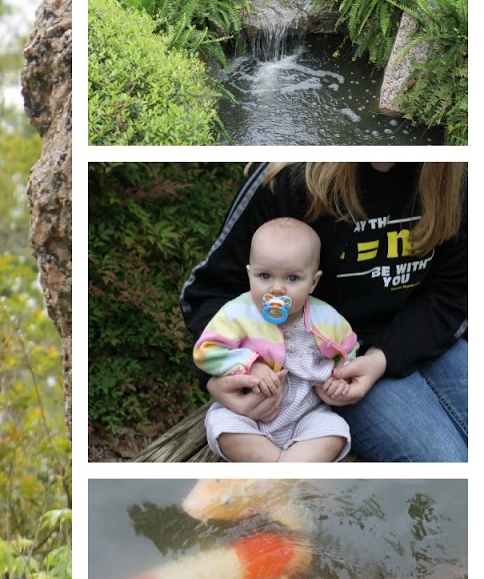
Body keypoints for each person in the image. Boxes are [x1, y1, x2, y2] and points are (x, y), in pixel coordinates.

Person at [182, 161, 467, 461]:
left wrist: (382, 359)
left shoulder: (457, 176)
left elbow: (453, 292)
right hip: (330, 375)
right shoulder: (290, 178)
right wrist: (217, 377)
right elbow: (208, 293)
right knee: (449, 461)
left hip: (425, 338)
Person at [196, 217, 358, 462]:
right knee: (222, 426)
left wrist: (341, 379)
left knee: (334, 431)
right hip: (248, 413)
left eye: (292, 278)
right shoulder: (237, 313)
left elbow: (349, 349)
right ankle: (283, 471)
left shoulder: (326, 318)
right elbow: (206, 351)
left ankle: (280, 473)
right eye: (265, 276)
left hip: (306, 413)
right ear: (249, 274)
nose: (277, 289)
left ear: (313, 282)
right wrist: (252, 365)